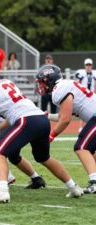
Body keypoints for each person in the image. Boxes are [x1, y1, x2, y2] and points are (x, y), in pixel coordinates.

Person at [0, 61, 83, 203]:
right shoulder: (5, 82)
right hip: (41, 119)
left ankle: (2, 191)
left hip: (27, 120)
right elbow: (12, 115)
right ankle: (73, 187)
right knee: (43, 157)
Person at [36, 64, 96, 194]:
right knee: (90, 150)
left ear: (50, 79)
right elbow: (62, 115)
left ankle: (94, 182)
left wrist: (51, 135)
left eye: (42, 82)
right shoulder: (64, 85)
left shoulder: (60, 89)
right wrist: (47, 116)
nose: (40, 85)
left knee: (81, 147)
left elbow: (65, 120)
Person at [75, 58, 96, 132]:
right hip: (84, 95)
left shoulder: (94, 74)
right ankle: (81, 127)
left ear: (92, 65)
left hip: (92, 95)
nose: (88, 66)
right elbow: (77, 83)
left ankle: (92, 127)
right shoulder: (81, 73)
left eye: (89, 65)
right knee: (83, 110)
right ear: (85, 66)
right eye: (87, 65)